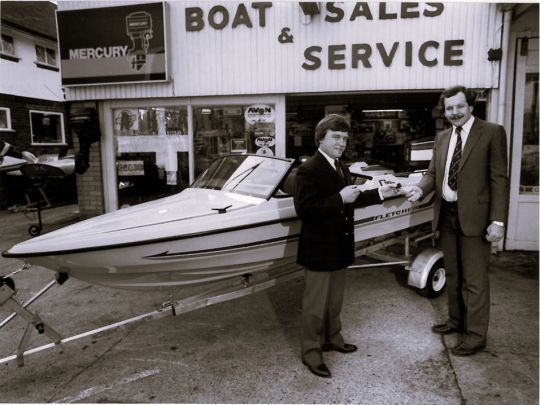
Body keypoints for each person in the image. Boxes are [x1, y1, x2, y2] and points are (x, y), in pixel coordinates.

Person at [402, 85, 509, 356]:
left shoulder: (492, 132)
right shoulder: (442, 138)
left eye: (459, 106)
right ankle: (456, 321)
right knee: (453, 273)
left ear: (471, 106)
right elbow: (432, 174)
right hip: (447, 214)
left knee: (474, 280)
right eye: (449, 108)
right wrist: (420, 189)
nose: (454, 112)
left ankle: (475, 336)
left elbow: (499, 179)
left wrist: (497, 221)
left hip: (475, 218)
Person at [293, 114, 400, 378]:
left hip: (339, 247)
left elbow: (351, 198)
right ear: (321, 139)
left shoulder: (340, 166)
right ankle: (311, 352)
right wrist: (339, 198)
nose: (341, 143)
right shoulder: (308, 169)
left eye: (344, 138)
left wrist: (379, 194)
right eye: (336, 138)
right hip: (318, 250)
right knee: (315, 306)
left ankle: (333, 338)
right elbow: (304, 210)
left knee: (334, 302)